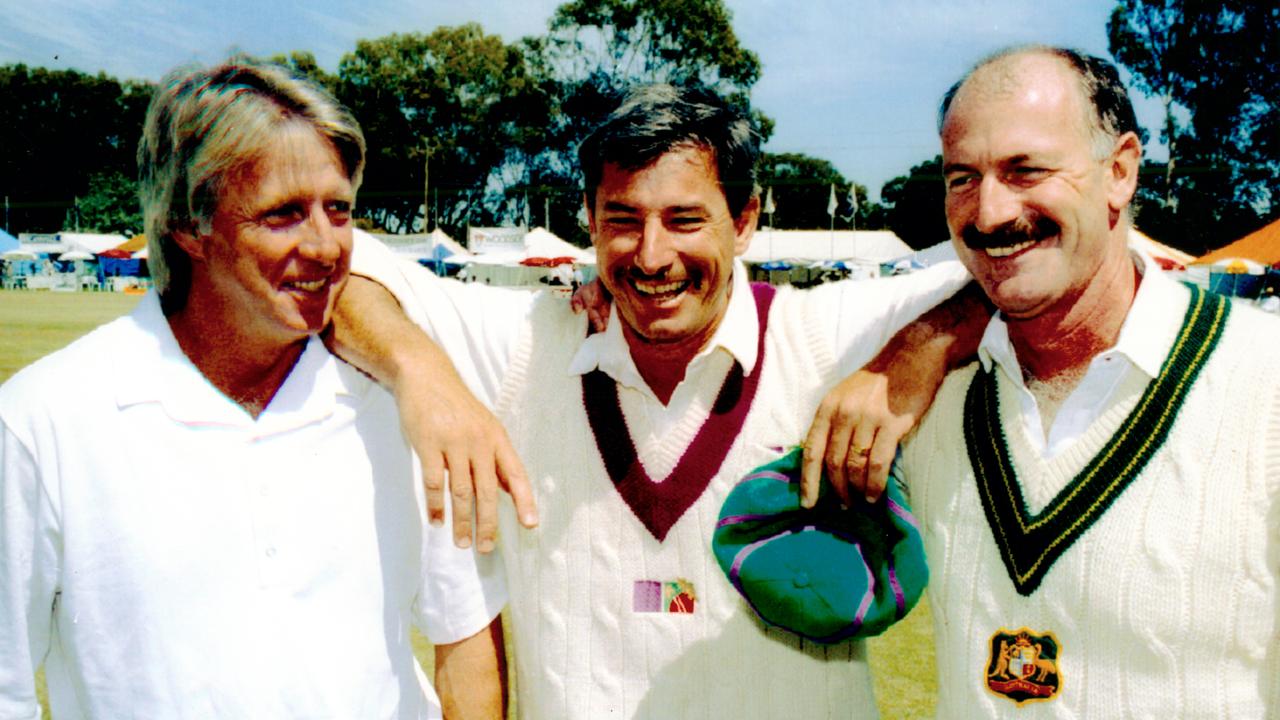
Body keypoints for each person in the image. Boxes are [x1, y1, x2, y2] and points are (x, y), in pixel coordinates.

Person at [330, 84, 982, 718]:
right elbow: (335, 262)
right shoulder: (528, 341)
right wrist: (422, 373)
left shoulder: (823, 335)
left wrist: (919, 349)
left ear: (745, 218)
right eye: (622, 220)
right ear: (587, 220)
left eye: (684, 220)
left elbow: (1034, 265)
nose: (651, 255)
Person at [0, 59, 507, 719]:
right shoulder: (45, 421)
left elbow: (463, 629)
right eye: (284, 215)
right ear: (190, 227)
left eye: (339, 210)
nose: (328, 248)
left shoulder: (397, 406)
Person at [815, 45, 1280, 716]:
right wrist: (604, 310)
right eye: (961, 178)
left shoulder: (1261, 379)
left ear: (1119, 172)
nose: (990, 212)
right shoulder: (921, 391)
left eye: (1025, 169)